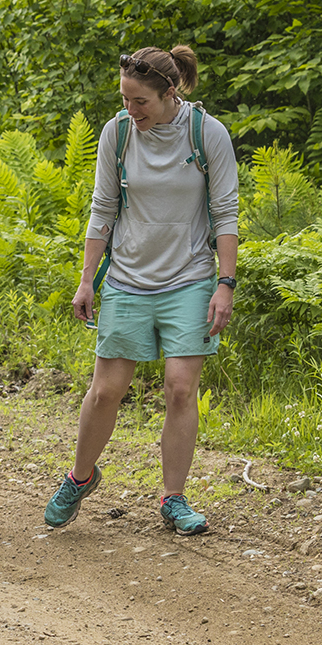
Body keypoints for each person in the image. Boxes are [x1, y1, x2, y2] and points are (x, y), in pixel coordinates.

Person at [43, 46, 239, 536]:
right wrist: (88, 278)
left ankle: (173, 497)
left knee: (180, 389)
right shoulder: (118, 134)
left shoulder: (206, 134)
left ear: (170, 93)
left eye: (141, 102)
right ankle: (80, 477)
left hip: (190, 278)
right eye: (126, 100)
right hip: (129, 278)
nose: (131, 110)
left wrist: (225, 283)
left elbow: (227, 213)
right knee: (107, 390)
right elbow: (102, 208)